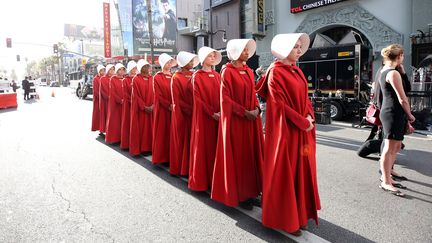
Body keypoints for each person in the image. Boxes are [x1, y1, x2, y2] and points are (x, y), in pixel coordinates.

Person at [256, 33, 321, 236]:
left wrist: (310, 116)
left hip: (302, 131)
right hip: (286, 132)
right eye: (295, 47)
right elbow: (279, 104)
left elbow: (305, 99)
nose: (299, 50)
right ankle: (287, 219)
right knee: (287, 172)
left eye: (300, 46)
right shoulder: (276, 72)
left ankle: (299, 215)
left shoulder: (297, 71)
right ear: (285, 49)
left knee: (301, 171)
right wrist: (303, 122)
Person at [211, 39, 264, 210]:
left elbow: (254, 93)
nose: (247, 53)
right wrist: (243, 112)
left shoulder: (249, 71)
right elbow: (225, 99)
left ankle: (252, 191)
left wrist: (257, 109)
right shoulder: (227, 71)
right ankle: (241, 195)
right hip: (237, 122)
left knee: (251, 157)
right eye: (243, 50)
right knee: (240, 158)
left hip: (251, 120)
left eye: (248, 50)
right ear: (234, 52)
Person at [378, 44, 415, 197]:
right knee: (390, 147)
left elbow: (407, 89)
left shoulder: (388, 71)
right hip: (393, 112)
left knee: (396, 145)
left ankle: (388, 174)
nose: (403, 57)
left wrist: (403, 72)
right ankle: (386, 181)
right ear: (398, 56)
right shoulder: (392, 73)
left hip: (394, 112)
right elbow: (402, 98)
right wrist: (410, 115)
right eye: (402, 55)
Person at [188, 47, 222, 191]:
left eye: (214, 55)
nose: (213, 58)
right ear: (203, 58)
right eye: (210, 55)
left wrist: (221, 111)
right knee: (204, 147)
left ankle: (216, 179)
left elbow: (223, 95)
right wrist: (211, 113)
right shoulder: (197, 76)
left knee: (216, 147)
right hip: (204, 118)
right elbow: (198, 99)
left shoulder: (218, 75)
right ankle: (202, 181)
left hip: (218, 116)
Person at [169, 51, 199, 176]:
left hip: (194, 112)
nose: (192, 63)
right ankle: (182, 168)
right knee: (182, 140)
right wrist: (189, 109)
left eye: (193, 61)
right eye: (190, 61)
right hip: (183, 114)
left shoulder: (194, 75)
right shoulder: (175, 77)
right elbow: (176, 99)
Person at [152, 53, 176, 164]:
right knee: (162, 132)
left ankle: (171, 156)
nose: (169, 64)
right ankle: (161, 157)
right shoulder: (157, 77)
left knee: (172, 132)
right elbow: (158, 95)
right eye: (167, 62)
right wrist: (168, 105)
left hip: (173, 108)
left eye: (170, 62)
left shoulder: (173, 76)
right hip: (162, 109)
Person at [130, 59, 154, 156]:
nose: (146, 68)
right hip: (141, 109)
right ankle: (141, 148)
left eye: (147, 66)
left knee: (150, 129)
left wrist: (153, 105)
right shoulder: (136, 79)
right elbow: (135, 95)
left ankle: (149, 147)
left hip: (151, 107)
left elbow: (156, 93)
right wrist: (144, 106)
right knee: (141, 129)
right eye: (144, 66)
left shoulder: (152, 78)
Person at [105, 63, 125, 144]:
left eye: (123, 69)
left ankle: (122, 137)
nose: (121, 71)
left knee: (123, 121)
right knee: (115, 121)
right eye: (119, 69)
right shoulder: (113, 79)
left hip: (124, 104)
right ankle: (114, 138)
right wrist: (120, 100)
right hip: (115, 104)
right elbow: (113, 93)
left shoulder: (125, 79)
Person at [120, 61, 137, 150]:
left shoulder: (137, 78)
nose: (135, 70)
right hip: (129, 104)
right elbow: (126, 94)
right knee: (128, 123)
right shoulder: (125, 80)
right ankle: (127, 144)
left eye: (136, 68)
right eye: (133, 68)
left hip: (135, 104)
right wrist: (133, 101)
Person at [99, 64, 115, 134]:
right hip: (106, 101)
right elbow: (103, 90)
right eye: (110, 69)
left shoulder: (115, 78)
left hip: (113, 101)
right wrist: (109, 97)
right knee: (106, 115)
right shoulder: (103, 78)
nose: (112, 71)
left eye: (113, 69)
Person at [92, 65, 105, 133]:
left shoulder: (105, 78)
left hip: (104, 99)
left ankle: (103, 128)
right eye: (101, 70)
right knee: (99, 114)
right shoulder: (96, 79)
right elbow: (96, 90)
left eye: (103, 70)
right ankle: (100, 128)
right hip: (98, 100)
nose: (103, 72)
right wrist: (100, 97)